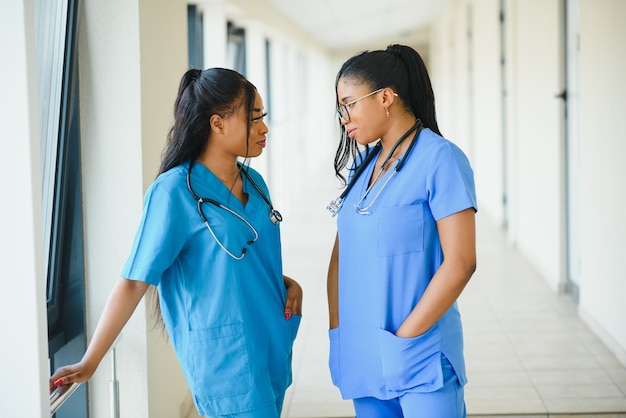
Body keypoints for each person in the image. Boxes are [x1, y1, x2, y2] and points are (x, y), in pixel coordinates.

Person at [49, 68, 302, 418]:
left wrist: (287, 284)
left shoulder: (255, 182)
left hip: (271, 338)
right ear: (218, 124)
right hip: (228, 361)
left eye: (264, 117)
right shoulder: (174, 193)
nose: (264, 128)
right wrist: (91, 360)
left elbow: (245, 257)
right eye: (254, 118)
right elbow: (135, 281)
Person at [326, 44, 477, 418]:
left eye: (350, 104)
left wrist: (407, 338)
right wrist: (338, 331)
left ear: (386, 97)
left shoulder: (439, 158)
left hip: (419, 353)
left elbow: (461, 263)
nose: (344, 117)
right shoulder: (362, 166)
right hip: (363, 353)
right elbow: (340, 254)